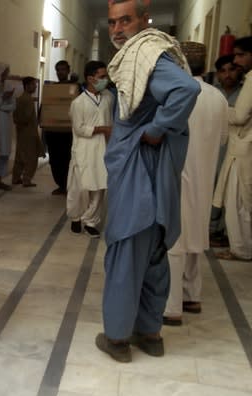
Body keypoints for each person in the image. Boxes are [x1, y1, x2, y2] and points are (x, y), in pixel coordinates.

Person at [96, 0, 200, 363]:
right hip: (152, 177)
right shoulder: (146, 55)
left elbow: (187, 90)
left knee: (126, 253)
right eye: (112, 22)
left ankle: (118, 338)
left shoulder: (148, 54)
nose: (117, 29)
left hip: (139, 174)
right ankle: (150, 333)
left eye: (126, 20)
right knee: (154, 254)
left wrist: (156, 129)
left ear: (144, 20)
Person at [162, 42, 228, 326]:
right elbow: (223, 138)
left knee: (174, 239)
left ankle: (171, 306)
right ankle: (192, 295)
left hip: (178, 174)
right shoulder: (219, 98)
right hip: (204, 176)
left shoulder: (176, 95)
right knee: (195, 237)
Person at [212, 36, 252, 261]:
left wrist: (216, 107)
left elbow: (239, 116)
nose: (236, 60)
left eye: (240, 55)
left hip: (243, 148)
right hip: (243, 146)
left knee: (239, 201)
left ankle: (241, 248)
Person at [67, 60, 114, 238]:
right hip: (84, 149)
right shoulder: (78, 103)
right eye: (102, 76)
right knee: (80, 187)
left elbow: (111, 121)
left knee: (100, 186)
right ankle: (76, 217)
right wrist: (102, 129)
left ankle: (91, 221)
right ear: (90, 78)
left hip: (103, 148)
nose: (105, 80)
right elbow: (79, 128)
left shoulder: (109, 97)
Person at [210, 54, 244, 247]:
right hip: (214, 147)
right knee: (213, 186)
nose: (228, 74)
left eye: (231, 69)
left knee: (232, 190)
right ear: (217, 75)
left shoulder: (244, 92)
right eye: (223, 71)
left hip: (238, 149)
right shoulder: (212, 93)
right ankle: (212, 229)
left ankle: (226, 231)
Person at [42, 60, 75, 195]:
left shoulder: (74, 87)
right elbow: (45, 107)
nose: (60, 72)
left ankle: (69, 185)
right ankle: (61, 185)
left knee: (67, 159)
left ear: (68, 70)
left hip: (68, 133)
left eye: (63, 69)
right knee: (55, 160)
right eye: (58, 70)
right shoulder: (52, 89)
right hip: (52, 132)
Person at [12, 76, 45, 187]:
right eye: (33, 84)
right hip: (29, 132)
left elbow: (15, 116)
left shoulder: (20, 98)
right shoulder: (28, 100)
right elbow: (26, 117)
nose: (35, 86)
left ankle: (15, 178)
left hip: (21, 132)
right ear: (27, 86)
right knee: (31, 157)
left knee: (20, 156)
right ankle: (27, 179)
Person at [0, 62, 16, 190]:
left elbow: (13, 106)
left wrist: (1, 106)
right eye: (4, 72)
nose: (6, 74)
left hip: (6, 123)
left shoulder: (9, 86)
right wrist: (2, 98)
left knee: (4, 153)